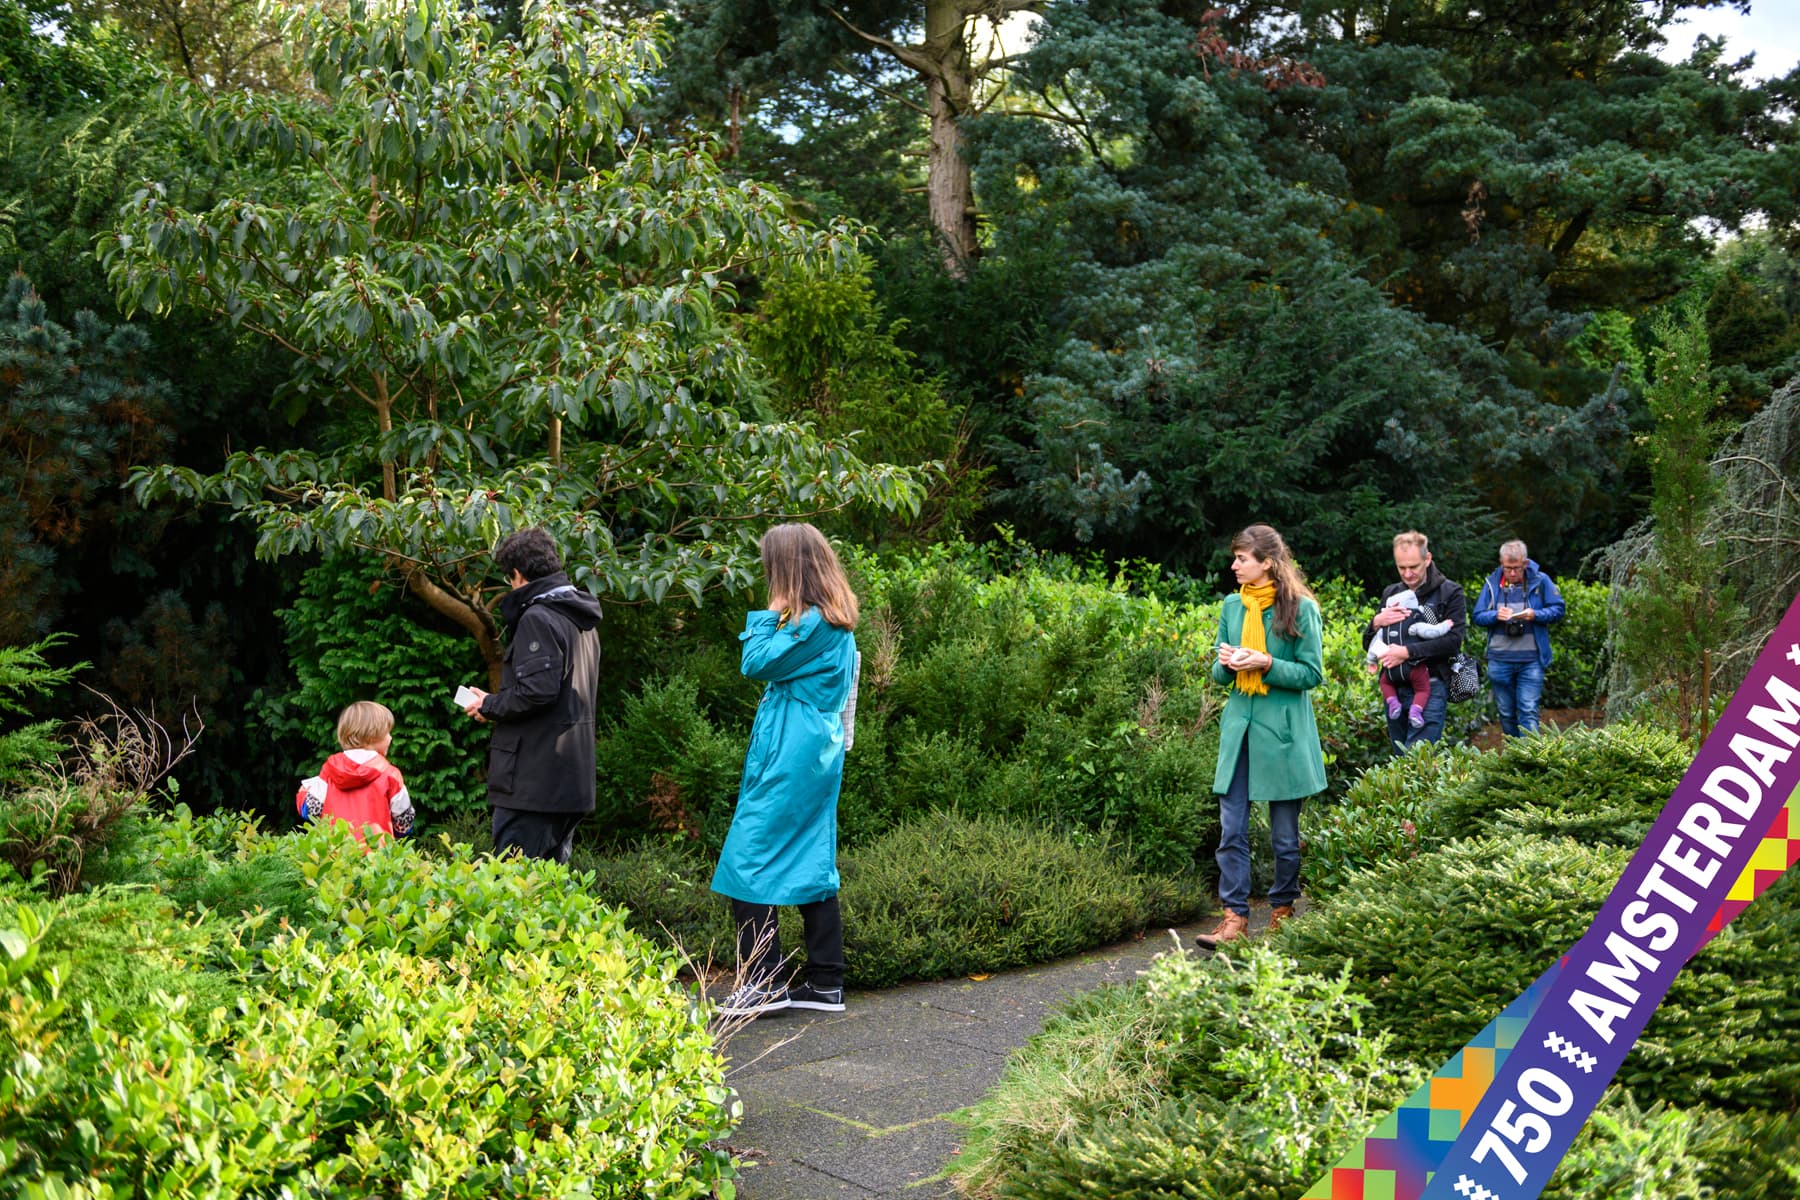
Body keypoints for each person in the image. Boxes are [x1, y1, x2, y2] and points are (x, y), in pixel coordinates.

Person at [711, 523, 861, 1017]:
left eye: (772, 568)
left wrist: (771, 611)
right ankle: (824, 983)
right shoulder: (829, 620)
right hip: (811, 751)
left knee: (747, 858)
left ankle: (763, 983)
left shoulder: (809, 623)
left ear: (789, 570)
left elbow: (754, 662)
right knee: (811, 857)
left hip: (792, 754)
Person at [1195, 524, 1327, 949]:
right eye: (1235, 558)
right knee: (1231, 829)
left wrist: (1266, 661)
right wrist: (1227, 662)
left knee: (1284, 837)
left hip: (1283, 735)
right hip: (1240, 732)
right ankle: (1234, 918)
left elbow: (1311, 674)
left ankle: (1283, 909)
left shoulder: (1301, 609)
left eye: (1241, 559)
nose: (1234, 566)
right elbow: (1218, 673)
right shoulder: (1233, 606)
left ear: (1266, 563)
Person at [461, 528, 601, 864]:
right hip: (568, 780)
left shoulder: (539, 617)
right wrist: (493, 707)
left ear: (518, 574)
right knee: (550, 895)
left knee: (514, 889)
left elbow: (538, 693)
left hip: (533, 784)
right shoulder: (581, 619)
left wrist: (489, 704)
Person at [1362, 530, 1466, 750]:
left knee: (1416, 758)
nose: (1407, 574)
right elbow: (1369, 644)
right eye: (1402, 568)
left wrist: (1407, 653)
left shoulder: (1450, 592)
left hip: (1432, 685)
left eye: (1414, 567)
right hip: (1394, 688)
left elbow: (1453, 642)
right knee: (1400, 756)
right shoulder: (1391, 593)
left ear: (1427, 559)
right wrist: (1375, 623)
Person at [1472, 539, 1565, 736]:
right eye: (1507, 568)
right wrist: (1495, 616)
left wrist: (1535, 615)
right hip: (1499, 660)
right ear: (1501, 563)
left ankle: (1530, 760)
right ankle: (1514, 756)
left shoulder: (1541, 581)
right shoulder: (1491, 584)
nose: (1512, 573)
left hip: (1531, 660)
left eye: (1516, 568)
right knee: (1506, 713)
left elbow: (1558, 609)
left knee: (1528, 709)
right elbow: (1477, 616)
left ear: (1525, 563)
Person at [296, 700, 415, 841]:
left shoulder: (329, 770)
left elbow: (311, 810)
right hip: (376, 856)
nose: (391, 737)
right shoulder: (391, 775)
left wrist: (303, 793)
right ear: (372, 735)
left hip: (336, 854)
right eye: (388, 732)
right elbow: (404, 823)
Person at [1364, 589, 1454, 729]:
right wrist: (1445, 626)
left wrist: (1372, 662)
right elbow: (1432, 632)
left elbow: (1374, 646)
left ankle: (1393, 702)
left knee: (1384, 683)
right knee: (1423, 689)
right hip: (1413, 669)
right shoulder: (1414, 624)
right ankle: (1416, 711)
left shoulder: (1384, 630)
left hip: (1391, 672)